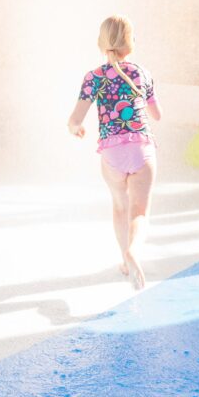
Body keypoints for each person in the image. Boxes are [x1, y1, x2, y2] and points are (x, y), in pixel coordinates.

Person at [68, 16, 161, 290]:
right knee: (139, 212)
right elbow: (157, 115)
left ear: (101, 43)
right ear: (130, 44)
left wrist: (76, 129)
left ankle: (123, 258)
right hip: (141, 149)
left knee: (120, 207)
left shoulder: (93, 77)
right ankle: (134, 251)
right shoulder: (142, 73)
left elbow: (74, 120)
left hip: (111, 153)